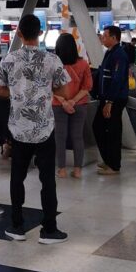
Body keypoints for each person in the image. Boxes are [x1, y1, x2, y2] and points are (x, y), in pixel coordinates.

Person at [0, 14, 69, 243]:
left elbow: (0, 90)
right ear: (40, 33)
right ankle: (49, 230)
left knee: (17, 177)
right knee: (47, 179)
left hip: (19, 128)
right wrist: (44, 91)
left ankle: (17, 226)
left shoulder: (9, 59)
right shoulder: (52, 60)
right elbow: (64, 91)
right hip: (44, 127)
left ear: (19, 33)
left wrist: (18, 92)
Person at [52, 32, 91, 179]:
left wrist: (64, 101)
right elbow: (87, 87)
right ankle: (78, 170)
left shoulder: (54, 64)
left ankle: (61, 170)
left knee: (60, 137)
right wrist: (73, 101)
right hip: (79, 105)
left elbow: (49, 87)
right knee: (77, 137)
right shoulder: (83, 64)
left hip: (58, 105)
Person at [93, 26, 130, 175]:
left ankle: (114, 165)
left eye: (105, 36)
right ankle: (108, 160)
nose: (102, 38)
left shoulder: (119, 55)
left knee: (113, 131)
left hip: (114, 99)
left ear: (114, 38)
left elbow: (117, 79)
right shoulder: (110, 53)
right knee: (99, 127)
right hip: (106, 98)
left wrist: (109, 102)